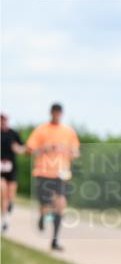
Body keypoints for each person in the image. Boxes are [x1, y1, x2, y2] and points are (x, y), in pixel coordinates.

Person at [24, 103, 80, 251]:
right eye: (54, 113)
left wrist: (67, 150)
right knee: (45, 205)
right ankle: (42, 216)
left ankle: (55, 240)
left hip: (61, 174)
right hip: (43, 172)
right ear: (51, 113)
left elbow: (76, 153)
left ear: (61, 114)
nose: (56, 115)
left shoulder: (68, 132)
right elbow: (29, 150)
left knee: (61, 205)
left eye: (59, 113)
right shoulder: (41, 130)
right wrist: (44, 149)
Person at [1, 113, 25, 233]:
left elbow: (23, 148)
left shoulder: (13, 134)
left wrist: (17, 149)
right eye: (1, 120)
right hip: (1, 169)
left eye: (4, 120)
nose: (3, 122)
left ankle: (8, 214)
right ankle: (5, 220)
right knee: (2, 192)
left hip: (12, 169)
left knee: (10, 196)